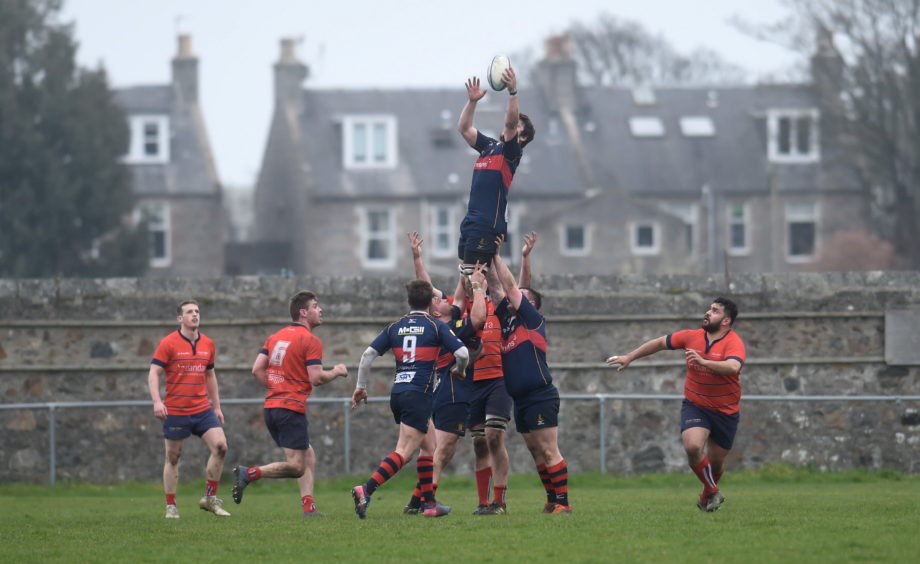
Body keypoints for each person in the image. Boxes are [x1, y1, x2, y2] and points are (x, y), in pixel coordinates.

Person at [606, 297, 746, 512]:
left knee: (716, 463)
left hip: (725, 411)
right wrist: (630, 356)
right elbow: (660, 343)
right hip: (696, 405)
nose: (708, 312)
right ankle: (713, 490)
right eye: (709, 308)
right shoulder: (691, 336)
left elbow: (732, 367)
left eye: (715, 311)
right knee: (692, 446)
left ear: (726, 321)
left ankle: (707, 492)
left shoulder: (733, 342)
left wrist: (703, 362)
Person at [350, 279, 470, 519]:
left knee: (429, 447)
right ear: (430, 303)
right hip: (419, 394)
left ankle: (428, 505)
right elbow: (463, 352)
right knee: (404, 452)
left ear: (408, 301)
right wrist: (461, 369)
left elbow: (367, 355)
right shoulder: (435, 326)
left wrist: (361, 387)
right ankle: (366, 488)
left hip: (399, 392)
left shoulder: (395, 326)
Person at [231, 291, 348, 516]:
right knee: (296, 467)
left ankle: (309, 506)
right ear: (304, 313)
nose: (320, 309)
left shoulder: (275, 337)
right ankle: (249, 474)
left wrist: (277, 387)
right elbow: (317, 378)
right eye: (315, 306)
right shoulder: (310, 340)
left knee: (307, 454)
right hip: (290, 409)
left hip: (272, 408)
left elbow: (256, 369)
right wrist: (336, 371)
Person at [486, 238, 573, 514]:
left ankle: (564, 503)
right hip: (521, 399)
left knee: (549, 450)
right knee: (536, 452)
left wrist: (499, 256)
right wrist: (485, 258)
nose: (515, 297)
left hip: (539, 394)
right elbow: (496, 288)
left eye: (523, 296)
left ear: (530, 303)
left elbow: (511, 288)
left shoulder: (533, 320)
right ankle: (551, 499)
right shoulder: (510, 322)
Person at [148, 299, 230, 519]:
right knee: (173, 458)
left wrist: (217, 407)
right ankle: (171, 507)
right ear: (180, 318)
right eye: (189, 312)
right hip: (176, 410)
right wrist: (157, 401)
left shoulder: (208, 344)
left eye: (197, 311)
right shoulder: (169, 343)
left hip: (203, 409)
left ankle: (209, 498)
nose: (195, 315)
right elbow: (154, 373)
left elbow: (210, 375)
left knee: (221, 447)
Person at [456, 65, 535, 274]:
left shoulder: (512, 152)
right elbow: (464, 128)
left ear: (523, 137)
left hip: (487, 224)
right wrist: (472, 102)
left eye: (519, 126)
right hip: (470, 221)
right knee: (471, 279)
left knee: (473, 279)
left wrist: (513, 93)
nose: (510, 125)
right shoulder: (489, 146)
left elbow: (510, 124)